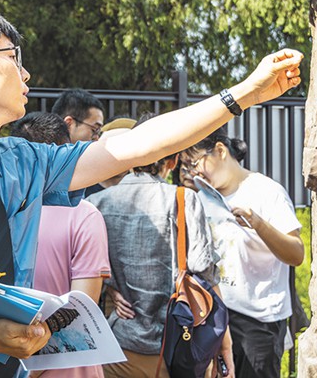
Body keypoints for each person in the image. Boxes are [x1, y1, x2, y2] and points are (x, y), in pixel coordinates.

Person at [0, 7, 303, 378]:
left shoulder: (22, 161)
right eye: (13, 57)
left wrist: (244, 94)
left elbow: (134, 145)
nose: (26, 72)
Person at [88, 113, 225, 378]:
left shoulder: (97, 202)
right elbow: (203, 270)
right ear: (173, 160)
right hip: (173, 342)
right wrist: (223, 340)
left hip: (116, 342)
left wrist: (111, 288)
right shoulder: (183, 199)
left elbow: (86, 269)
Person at [180, 127, 305, 378]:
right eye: (187, 167)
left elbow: (296, 253)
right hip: (213, 316)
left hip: (257, 321)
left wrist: (258, 223)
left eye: (195, 163)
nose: (194, 172)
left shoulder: (266, 191)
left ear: (220, 150)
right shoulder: (202, 196)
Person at [9, 112, 110, 378]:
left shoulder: (2, 212)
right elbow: (81, 306)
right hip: (71, 366)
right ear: (63, 154)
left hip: (9, 360)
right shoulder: (84, 215)